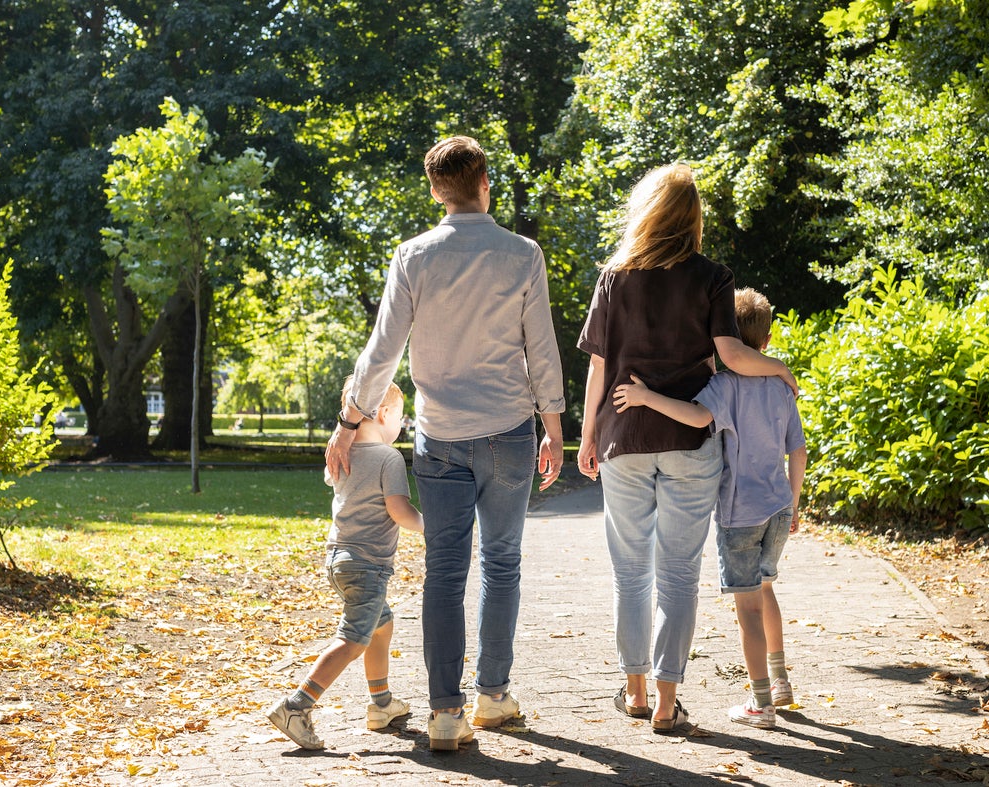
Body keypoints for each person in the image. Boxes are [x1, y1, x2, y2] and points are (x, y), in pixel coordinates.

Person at [326, 136, 565, 751]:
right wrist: (555, 424)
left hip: (441, 440)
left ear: (436, 190)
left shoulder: (413, 256)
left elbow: (384, 351)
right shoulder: (523, 254)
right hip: (510, 431)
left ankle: (444, 714)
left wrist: (350, 421)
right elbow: (541, 346)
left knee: (445, 571)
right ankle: (492, 695)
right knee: (502, 563)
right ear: (485, 180)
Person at [576, 164, 797, 734]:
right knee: (678, 575)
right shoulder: (713, 277)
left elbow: (599, 369)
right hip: (689, 441)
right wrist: (781, 370)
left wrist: (587, 436)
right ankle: (669, 705)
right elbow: (732, 357)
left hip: (623, 437)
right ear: (693, 217)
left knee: (630, 575)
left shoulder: (613, 277)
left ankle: (635, 692)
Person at [613, 287, 807, 730]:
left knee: (748, 611)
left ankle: (761, 705)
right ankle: (779, 681)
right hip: (778, 507)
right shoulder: (781, 386)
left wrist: (646, 399)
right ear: (768, 339)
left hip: (741, 515)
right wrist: (793, 504)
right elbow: (799, 453)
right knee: (766, 589)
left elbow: (697, 418)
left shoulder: (722, 386)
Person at [266, 379, 424, 750]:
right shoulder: (389, 458)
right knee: (353, 640)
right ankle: (296, 706)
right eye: (400, 417)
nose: (401, 425)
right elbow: (399, 510)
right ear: (383, 414)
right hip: (368, 565)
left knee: (381, 626)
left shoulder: (342, 451)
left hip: (339, 561)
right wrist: (432, 527)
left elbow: (332, 479)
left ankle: (381, 704)